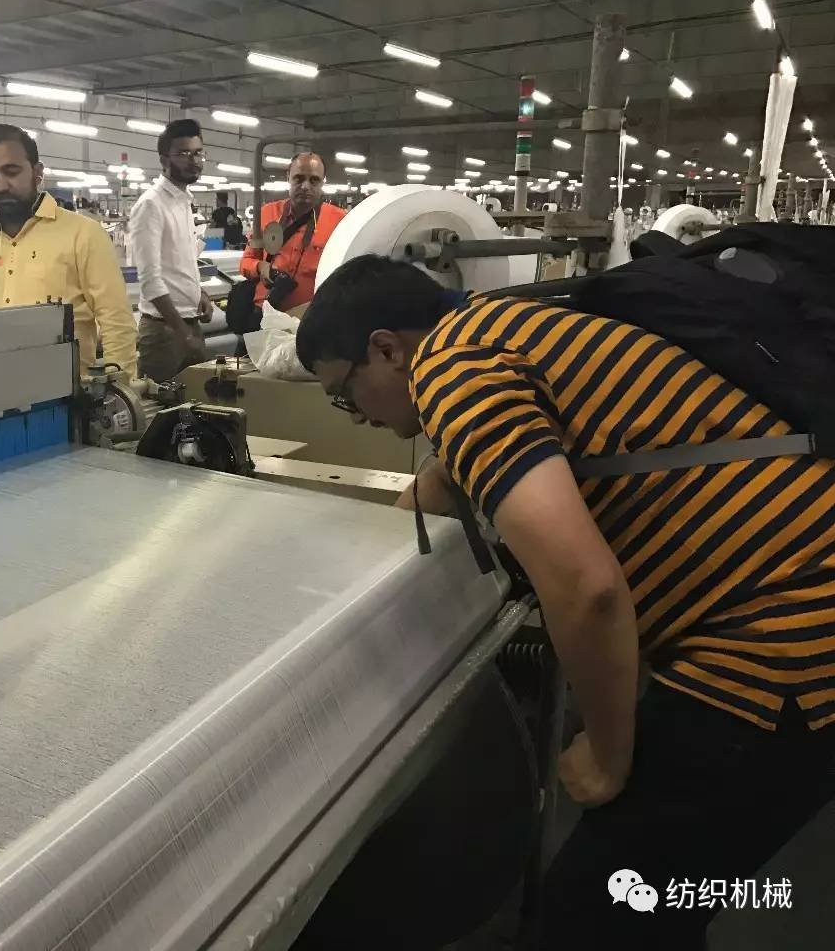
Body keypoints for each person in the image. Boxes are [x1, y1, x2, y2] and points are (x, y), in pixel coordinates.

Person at [295, 255, 835, 949]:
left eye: (345, 394)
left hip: (788, 642)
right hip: (797, 601)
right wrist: (365, 567)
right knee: (654, 907)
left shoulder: (453, 375)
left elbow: (587, 590)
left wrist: (608, 754)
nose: (358, 418)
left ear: (386, 349)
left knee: (599, 914)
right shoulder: (498, 326)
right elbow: (451, 476)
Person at [0, 124, 137, 379]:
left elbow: (117, 324)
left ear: (37, 172)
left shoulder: (83, 234)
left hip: (70, 395)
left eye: (11, 171)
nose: (0, 185)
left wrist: (119, 391)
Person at [127, 118, 216, 381]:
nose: (194, 160)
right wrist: (182, 333)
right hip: (164, 332)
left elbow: (179, 262)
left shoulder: (183, 201)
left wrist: (199, 293)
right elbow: (150, 281)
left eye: (198, 153)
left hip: (188, 324)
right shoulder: (151, 205)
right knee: (161, 404)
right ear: (164, 159)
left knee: (201, 401)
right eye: (184, 154)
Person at [239, 152, 345, 315]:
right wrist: (260, 267)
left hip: (311, 318)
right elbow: (246, 261)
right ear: (288, 177)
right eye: (299, 178)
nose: (305, 186)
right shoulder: (266, 214)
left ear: (323, 182)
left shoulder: (340, 221)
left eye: (314, 180)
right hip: (264, 314)